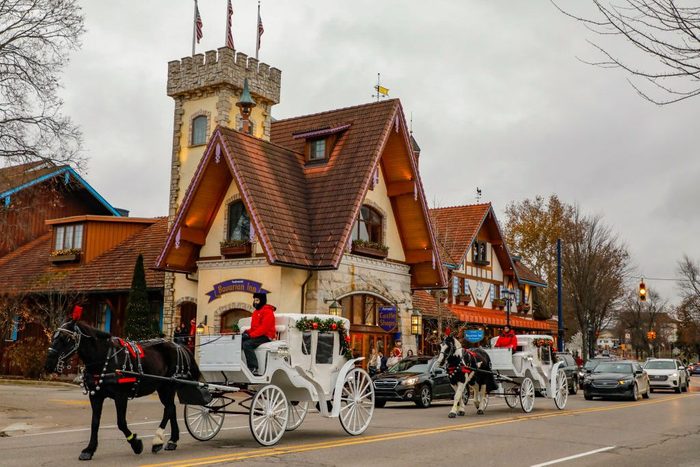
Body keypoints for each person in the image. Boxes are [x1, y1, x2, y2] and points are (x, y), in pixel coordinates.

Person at [242, 292, 276, 375]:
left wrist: (250, 335)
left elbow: (264, 329)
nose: (255, 302)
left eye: (257, 300)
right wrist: (246, 332)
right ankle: (240, 365)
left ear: (262, 300)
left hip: (266, 336)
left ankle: (253, 367)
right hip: (258, 335)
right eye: (254, 300)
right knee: (238, 342)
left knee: (247, 344)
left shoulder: (268, 312)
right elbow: (254, 328)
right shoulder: (255, 313)